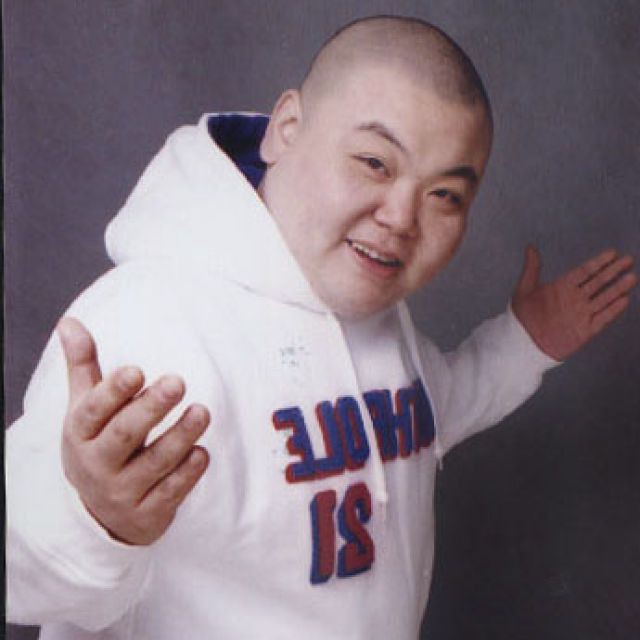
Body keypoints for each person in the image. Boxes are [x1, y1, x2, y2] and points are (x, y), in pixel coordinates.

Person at [6, 15, 636, 640]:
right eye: (374, 162)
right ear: (287, 129)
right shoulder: (145, 322)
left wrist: (524, 343)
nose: (401, 218)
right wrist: (93, 520)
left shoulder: (370, 314)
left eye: (445, 194)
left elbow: (421, 420)